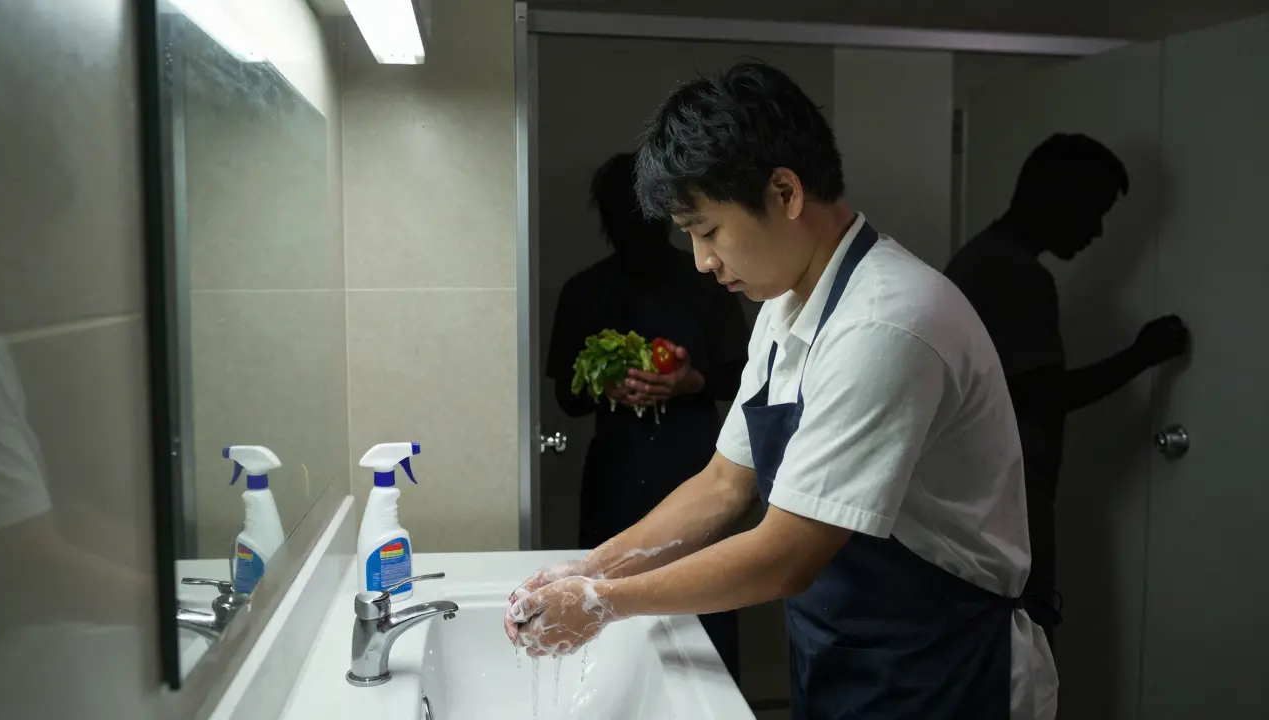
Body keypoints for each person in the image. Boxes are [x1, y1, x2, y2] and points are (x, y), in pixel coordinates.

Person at [507, 62, 1057, 719]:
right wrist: (591, 571)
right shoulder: (789, 303)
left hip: (948, 669)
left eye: (708, 230)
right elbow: (722, 485)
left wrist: (604, 604)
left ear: (785, 192)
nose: (703, 260)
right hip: (850, 655)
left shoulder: (886, 322)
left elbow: (788, 553)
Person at [944, 134, 1189, 642]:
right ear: (1056, 197)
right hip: (1004, 501)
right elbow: (1043, 393)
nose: (1097, 231)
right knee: (1022, 654)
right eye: (1093, 211)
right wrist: (1141, 355)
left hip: (978, 500)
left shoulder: (981, 258)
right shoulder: (1015, 275)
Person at [544, 152, 750, 683]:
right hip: (615, 474)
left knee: (706, 617)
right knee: (605, 613)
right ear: (608, 220)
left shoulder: (710, 283)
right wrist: (601, 386)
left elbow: (744, 379)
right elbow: (565, 398)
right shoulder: (585, 292)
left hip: (696, 471)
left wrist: (691, 381)